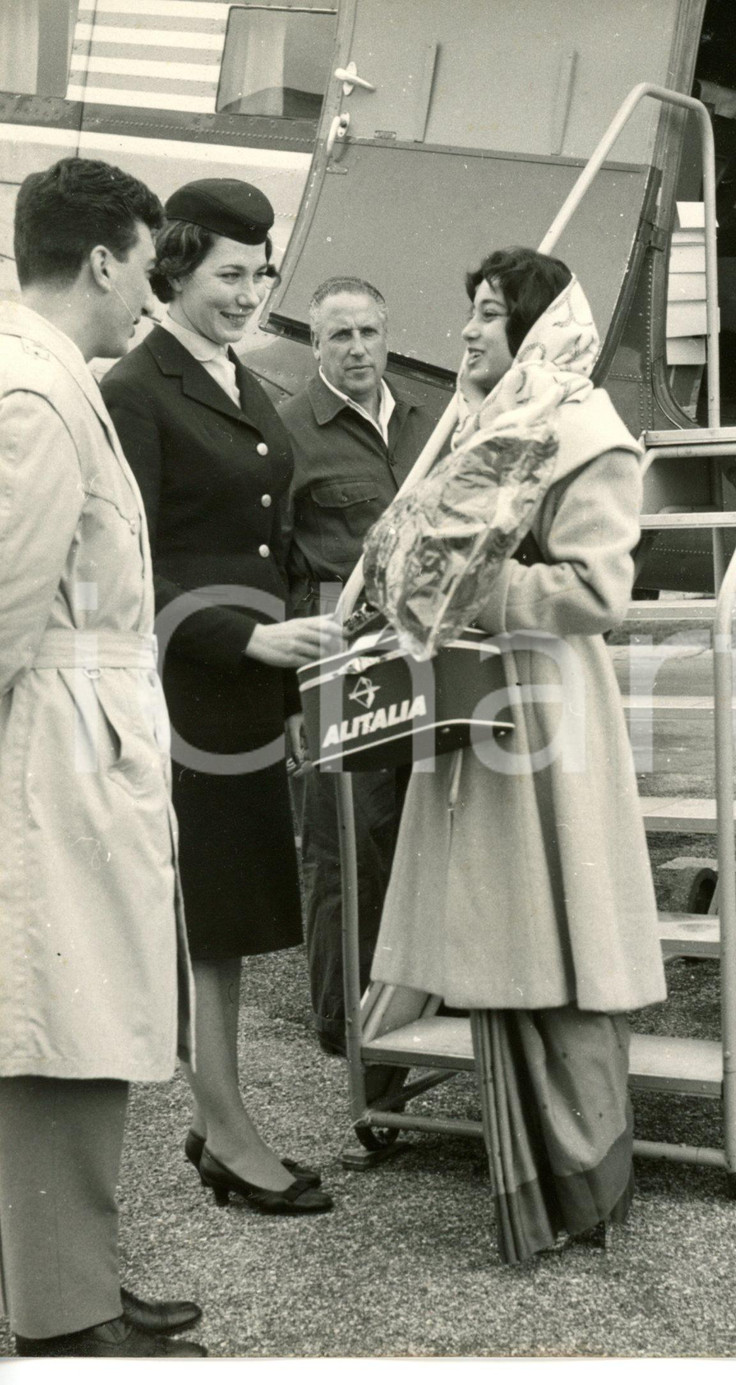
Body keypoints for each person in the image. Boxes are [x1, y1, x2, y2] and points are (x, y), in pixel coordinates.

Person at [369, 248, 668, 1263]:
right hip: (483, 703)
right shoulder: (480, 424)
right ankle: (536, 1176)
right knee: (507, 935)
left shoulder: (582, 435)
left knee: (560, 939)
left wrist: (471, 592)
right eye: (471, 312)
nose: (467, 333)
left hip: (546, 712)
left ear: (535, 329)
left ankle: (584, 1178)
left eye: (489, 316)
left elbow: (596, 594)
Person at [0, 157, 206, 1356]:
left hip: (79, 741)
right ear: (99, 260)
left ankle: (65, 1274)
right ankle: (62, 1310)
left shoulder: (50, 379)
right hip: (52, 756)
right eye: (143, 265)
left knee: (76, 1021)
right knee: (54, 1025)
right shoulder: (34, 393)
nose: (148, 292)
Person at [100, 179, 334, 1216]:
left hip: (245, 692)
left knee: (227, 914)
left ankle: (218, 1117)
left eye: (261, 272)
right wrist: (244, 634)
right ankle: (230, 1131)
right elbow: (127, 563)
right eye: (228, 274)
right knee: (204, 915)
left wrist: (280, 653)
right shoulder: (137, 389)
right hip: (185, 688)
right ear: (173, 271)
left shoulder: (238, 381)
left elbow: (266, 534)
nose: (249, 292)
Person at [279, 276, 437, 1056]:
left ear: (387, 333)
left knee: (425, 829)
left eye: (369, 332)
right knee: (347, 846)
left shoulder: (428, 422)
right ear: (315, 346)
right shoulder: (287, 435)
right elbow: (275, 574)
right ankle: (348, 1024)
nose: (357, 348)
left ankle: (427, 1004)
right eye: (339, 336)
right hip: (344, 664)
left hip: (430, 654)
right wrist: (289, 701)